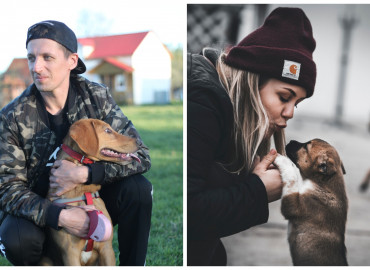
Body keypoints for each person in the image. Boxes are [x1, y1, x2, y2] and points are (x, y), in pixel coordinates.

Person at [0, 20, 152, 266]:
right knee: (17, 238)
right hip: (42, 217)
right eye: (31, 57)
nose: (36, 67)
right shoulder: (12, 116)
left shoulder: (96, 97)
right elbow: (7, 190)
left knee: (138, 190)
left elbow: (141, 156)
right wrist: (61, 216)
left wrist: (86, 172)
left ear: (71, 61)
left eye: (47, 57)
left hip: (94, 200)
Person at [187, 7, 317, 266]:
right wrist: (257, 191)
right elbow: (190, 212)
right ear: (251, 81)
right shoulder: (202, 100)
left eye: (297, 103)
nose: (290, 113)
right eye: (284, 96)